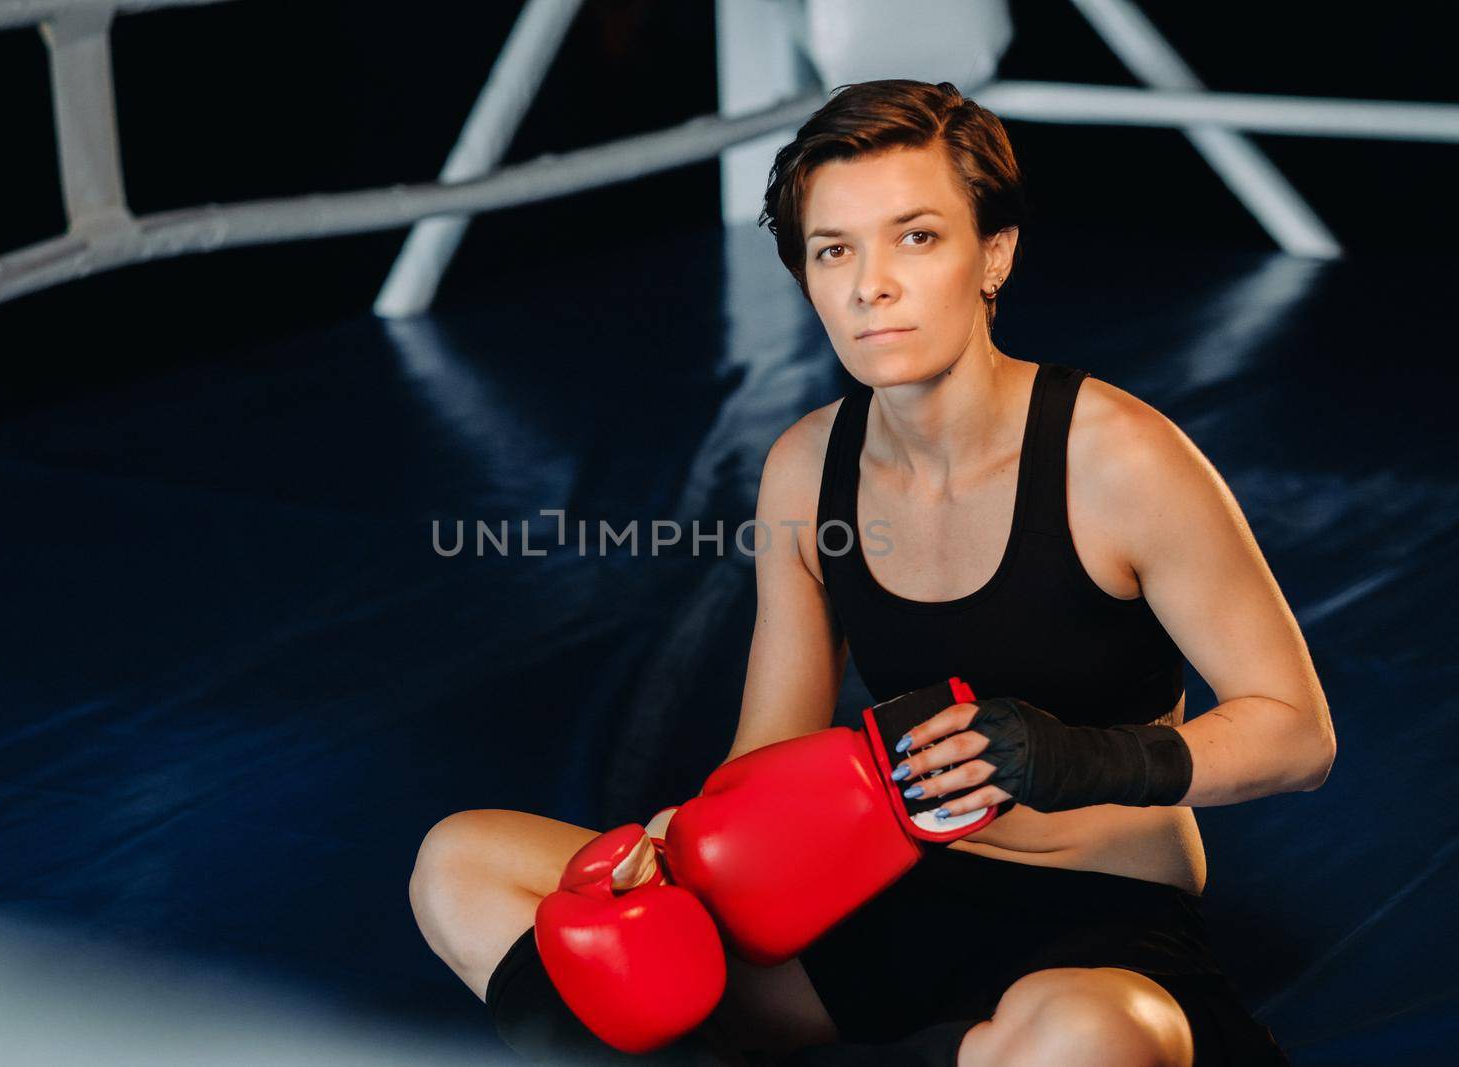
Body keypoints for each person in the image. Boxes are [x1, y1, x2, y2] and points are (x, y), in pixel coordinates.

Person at [409, 79, 1335, 1066]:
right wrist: (679, 850)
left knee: (1074, 1035)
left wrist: (1082, 758)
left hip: (1097, 913)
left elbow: (1296, 730)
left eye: (917, 237)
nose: (870, 285)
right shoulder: (806, 468)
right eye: (833, 249)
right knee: (461, 864)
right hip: (870, 890)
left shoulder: (1117, 458)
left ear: (994, 253)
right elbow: (768, 750)